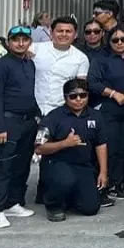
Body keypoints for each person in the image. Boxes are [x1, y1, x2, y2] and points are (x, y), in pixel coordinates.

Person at [0, 26, 40, 229]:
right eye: (15, 40)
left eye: (24, 40)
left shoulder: (29, 64)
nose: (20, 43)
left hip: (27, 121)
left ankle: (12, 202)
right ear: (8, 42)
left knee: (21, 165)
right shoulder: (1, 66)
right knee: (3, 167)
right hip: (8, 122)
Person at [34, 79, 107, 222]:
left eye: (83, 95)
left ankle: (70, 200)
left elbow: (101, 144)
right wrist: (64, 143)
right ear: (65, 97)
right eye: (73, 96)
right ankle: (53, 205)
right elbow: (38, 148)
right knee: (65, 179)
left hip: (84, 167)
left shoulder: (96, 116)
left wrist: (103, 172)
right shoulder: (53, 117)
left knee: (91, 208)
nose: (78, 100)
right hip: (58, 164)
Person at [88, 27, 124, 201]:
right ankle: (101, 186)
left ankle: (115, 185)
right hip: (108, 111)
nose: (119, 43)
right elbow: (92, 82)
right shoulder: (101, 60)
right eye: (115, 40)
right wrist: (113, 94)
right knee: (109, 148)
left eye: (123, 39)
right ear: (109, 41)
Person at [30, 16, 91, 117]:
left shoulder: (81, 58)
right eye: (60, 31)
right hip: (33, 110)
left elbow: (80, 88)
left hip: (61, 112)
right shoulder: (34, 48)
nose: (63, 34)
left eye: (68, 31)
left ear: (75, 35)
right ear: (51, 32)